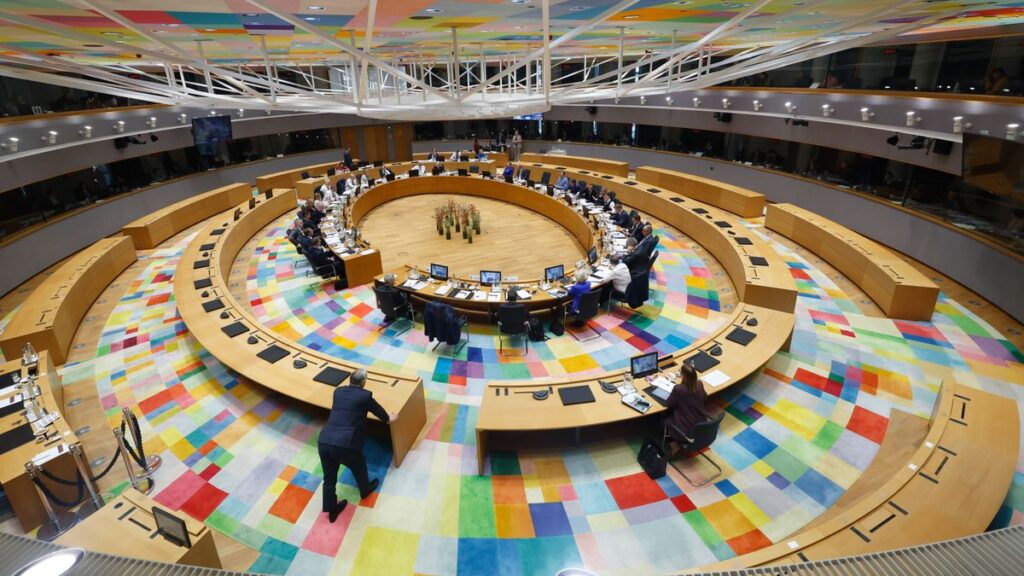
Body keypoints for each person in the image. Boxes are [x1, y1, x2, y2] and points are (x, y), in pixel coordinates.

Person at [318, 369, 396, 522]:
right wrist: (389, 418)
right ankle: (365, 490)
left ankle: (332, 511)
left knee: (329, 479)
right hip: (344, 444)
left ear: (350, 380)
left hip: (325, 441)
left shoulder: (338, 391)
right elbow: (379, 412)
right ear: (363, 382)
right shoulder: (365, 396)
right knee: (359, 464)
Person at [663, 363, 709, 444]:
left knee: (661, 418)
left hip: (685, 429)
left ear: (683, 376)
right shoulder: (699, 383)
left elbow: (667, 404)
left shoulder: (678, 389)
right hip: (701, 423)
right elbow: (705, 398)